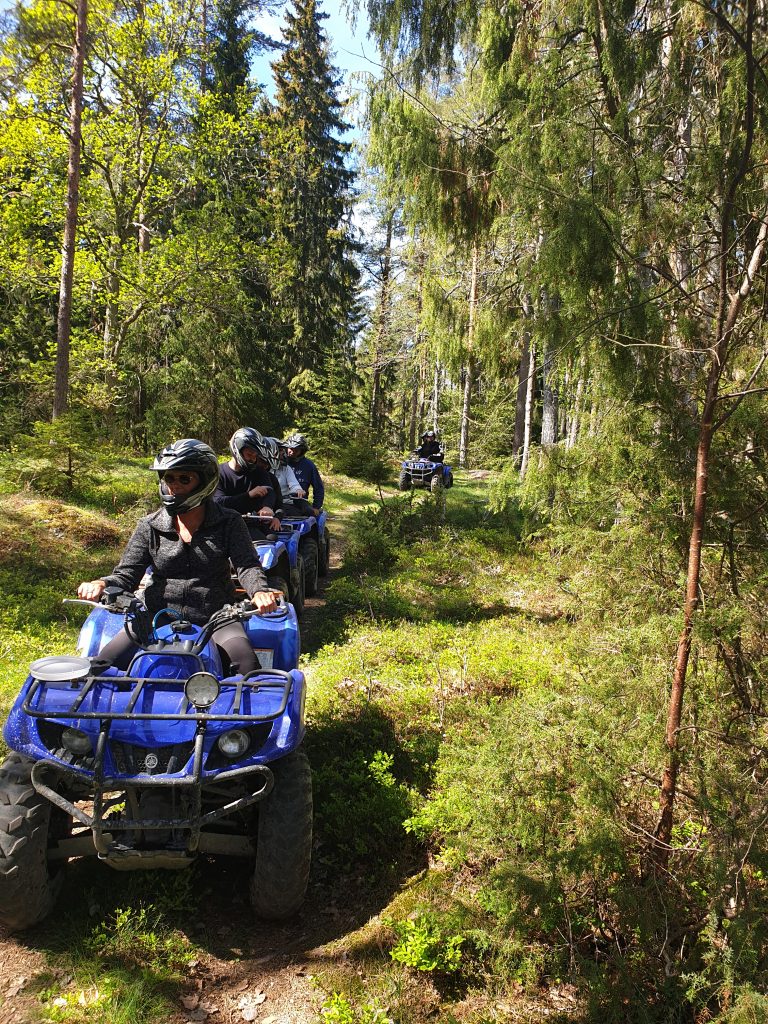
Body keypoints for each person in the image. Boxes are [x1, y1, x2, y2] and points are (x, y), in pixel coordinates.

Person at [77, 439, 278, 675]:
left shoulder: (229, 522)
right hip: (154, 615)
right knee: (101, 666)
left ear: (205, 480)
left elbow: (247, 566)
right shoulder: (150, 525)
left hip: (216, 615)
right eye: (169, 478)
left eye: (184, 479)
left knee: (247, 665)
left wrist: (260, 591)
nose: (174, 486)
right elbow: (127, 573)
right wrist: (102, 583)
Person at [215, 427, 284, 539]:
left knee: (270, 542)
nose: (252, 459)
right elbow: (219, 502)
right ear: (238, 450)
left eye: (255, 456)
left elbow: (270, 490)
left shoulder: (258, 472)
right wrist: (249, 495)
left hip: (252, 526)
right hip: (223, 526)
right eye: (249, 455)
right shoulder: (219, 474)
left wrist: (267, 507)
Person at [265, 437, 315, 518]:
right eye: (279, 450)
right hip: (267, 504)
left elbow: (293, 483)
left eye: (282, 450)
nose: (283, 453)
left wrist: (298, 490)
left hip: (286, 502)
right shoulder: (262, 468)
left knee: (307, 511)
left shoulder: (286, 468)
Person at [283, 433, 325, 515]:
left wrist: (316, 507)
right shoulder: (280, 463)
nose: (291, 452)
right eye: (290, 448)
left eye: (296, 449)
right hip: (281, 502)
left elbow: (318, 487)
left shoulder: (309, 466)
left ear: (302, 451)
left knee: (309, 514)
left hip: (300, 503)